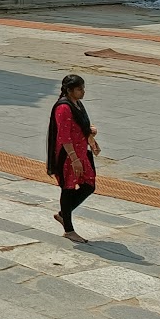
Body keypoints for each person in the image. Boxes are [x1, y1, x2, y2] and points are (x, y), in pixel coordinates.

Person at [46, 74, 98, 243]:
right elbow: (64, 136)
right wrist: (74, 159)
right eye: (79, 89)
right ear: (69, 90)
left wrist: (92, 140)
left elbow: (81, 127)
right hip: (69, 155)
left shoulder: (77, 104)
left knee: (89, 185)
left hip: (81, 152)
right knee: (68, 189)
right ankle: (69, 229)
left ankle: (63, 214)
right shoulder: (63, 108)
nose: (83, 92)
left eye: (83, 88)